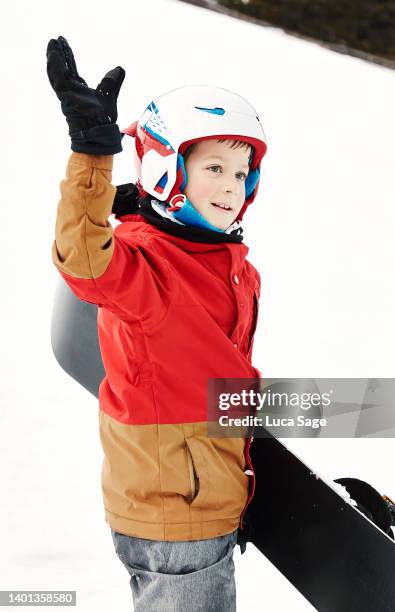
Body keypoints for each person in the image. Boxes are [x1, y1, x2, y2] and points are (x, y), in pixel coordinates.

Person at [46, 36, 267, 612]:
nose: (231, 186)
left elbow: (212, 370)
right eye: (214, 167)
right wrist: (94, 158)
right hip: (174, 511)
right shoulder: (151, 264)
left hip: (204, 493)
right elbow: (87, 262)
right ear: (167, 167)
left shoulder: (222, 260)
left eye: (242, 172)